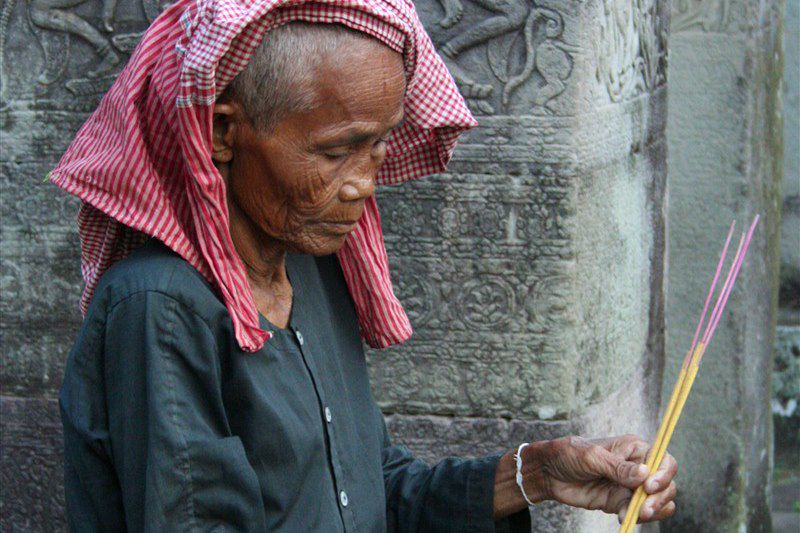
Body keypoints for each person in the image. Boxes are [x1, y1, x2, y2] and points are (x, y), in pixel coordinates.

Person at [50, 0, 678, 531]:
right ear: (221, 132)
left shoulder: (314, 273)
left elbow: (365, 491)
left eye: (378, 147)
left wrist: (537, 472)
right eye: (334, 151)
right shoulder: (161, 307)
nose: (360, 187)